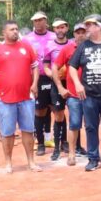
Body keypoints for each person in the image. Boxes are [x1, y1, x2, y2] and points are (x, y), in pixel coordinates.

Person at [0, 20, 41, 174]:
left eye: (16, 29)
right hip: (5, 99)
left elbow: (35, 68)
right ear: (4, 33)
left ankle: (31, 162)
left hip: (26, 98)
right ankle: (8, 163)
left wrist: (35, 84)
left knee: (28, 130)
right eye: (11, 29)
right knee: (7, 133)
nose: (15, 31)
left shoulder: (27, 47)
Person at [68, 14, 101, 171]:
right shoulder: (83, 46)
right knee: (90, 127)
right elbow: (72, 66)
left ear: (99, 27)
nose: (87, 28)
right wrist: (77, 84)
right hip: (89, 95)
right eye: (86, 24)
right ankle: (93, 158)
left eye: (90, 25)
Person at [53, 23, 88, 166]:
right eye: (78, 32)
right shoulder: (68, 49)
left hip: (92, 94)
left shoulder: (94, 48)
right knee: (74, 124)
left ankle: (93, 153)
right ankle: (72, 154)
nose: (81, 35)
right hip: (74, 95)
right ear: (74, 34)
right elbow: (55, 67)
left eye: (83, 32)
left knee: (91, 125)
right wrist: (60, 87)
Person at [25, 11, 57, 155]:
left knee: (58, 110)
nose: (37, 23)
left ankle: (61, 142)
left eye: (40, 20)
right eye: (35, 21)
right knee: (39, 111)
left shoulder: (54, 36)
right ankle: (41, 143)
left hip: (55, 78)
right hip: (37, 79)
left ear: (45, 20)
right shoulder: (27, 39)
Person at [44, 19, 72, 161]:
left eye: (62, 27)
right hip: (56, 83)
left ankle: (72, 145)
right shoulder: (49, 45)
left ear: (66, 28)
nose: (60, 30)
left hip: (72, 82)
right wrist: (54, 75)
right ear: (54, 30)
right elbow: (46, 66)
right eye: (57, 28)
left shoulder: (73, 44)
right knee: (59, 114)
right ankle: (57, 148)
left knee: (75, 114)